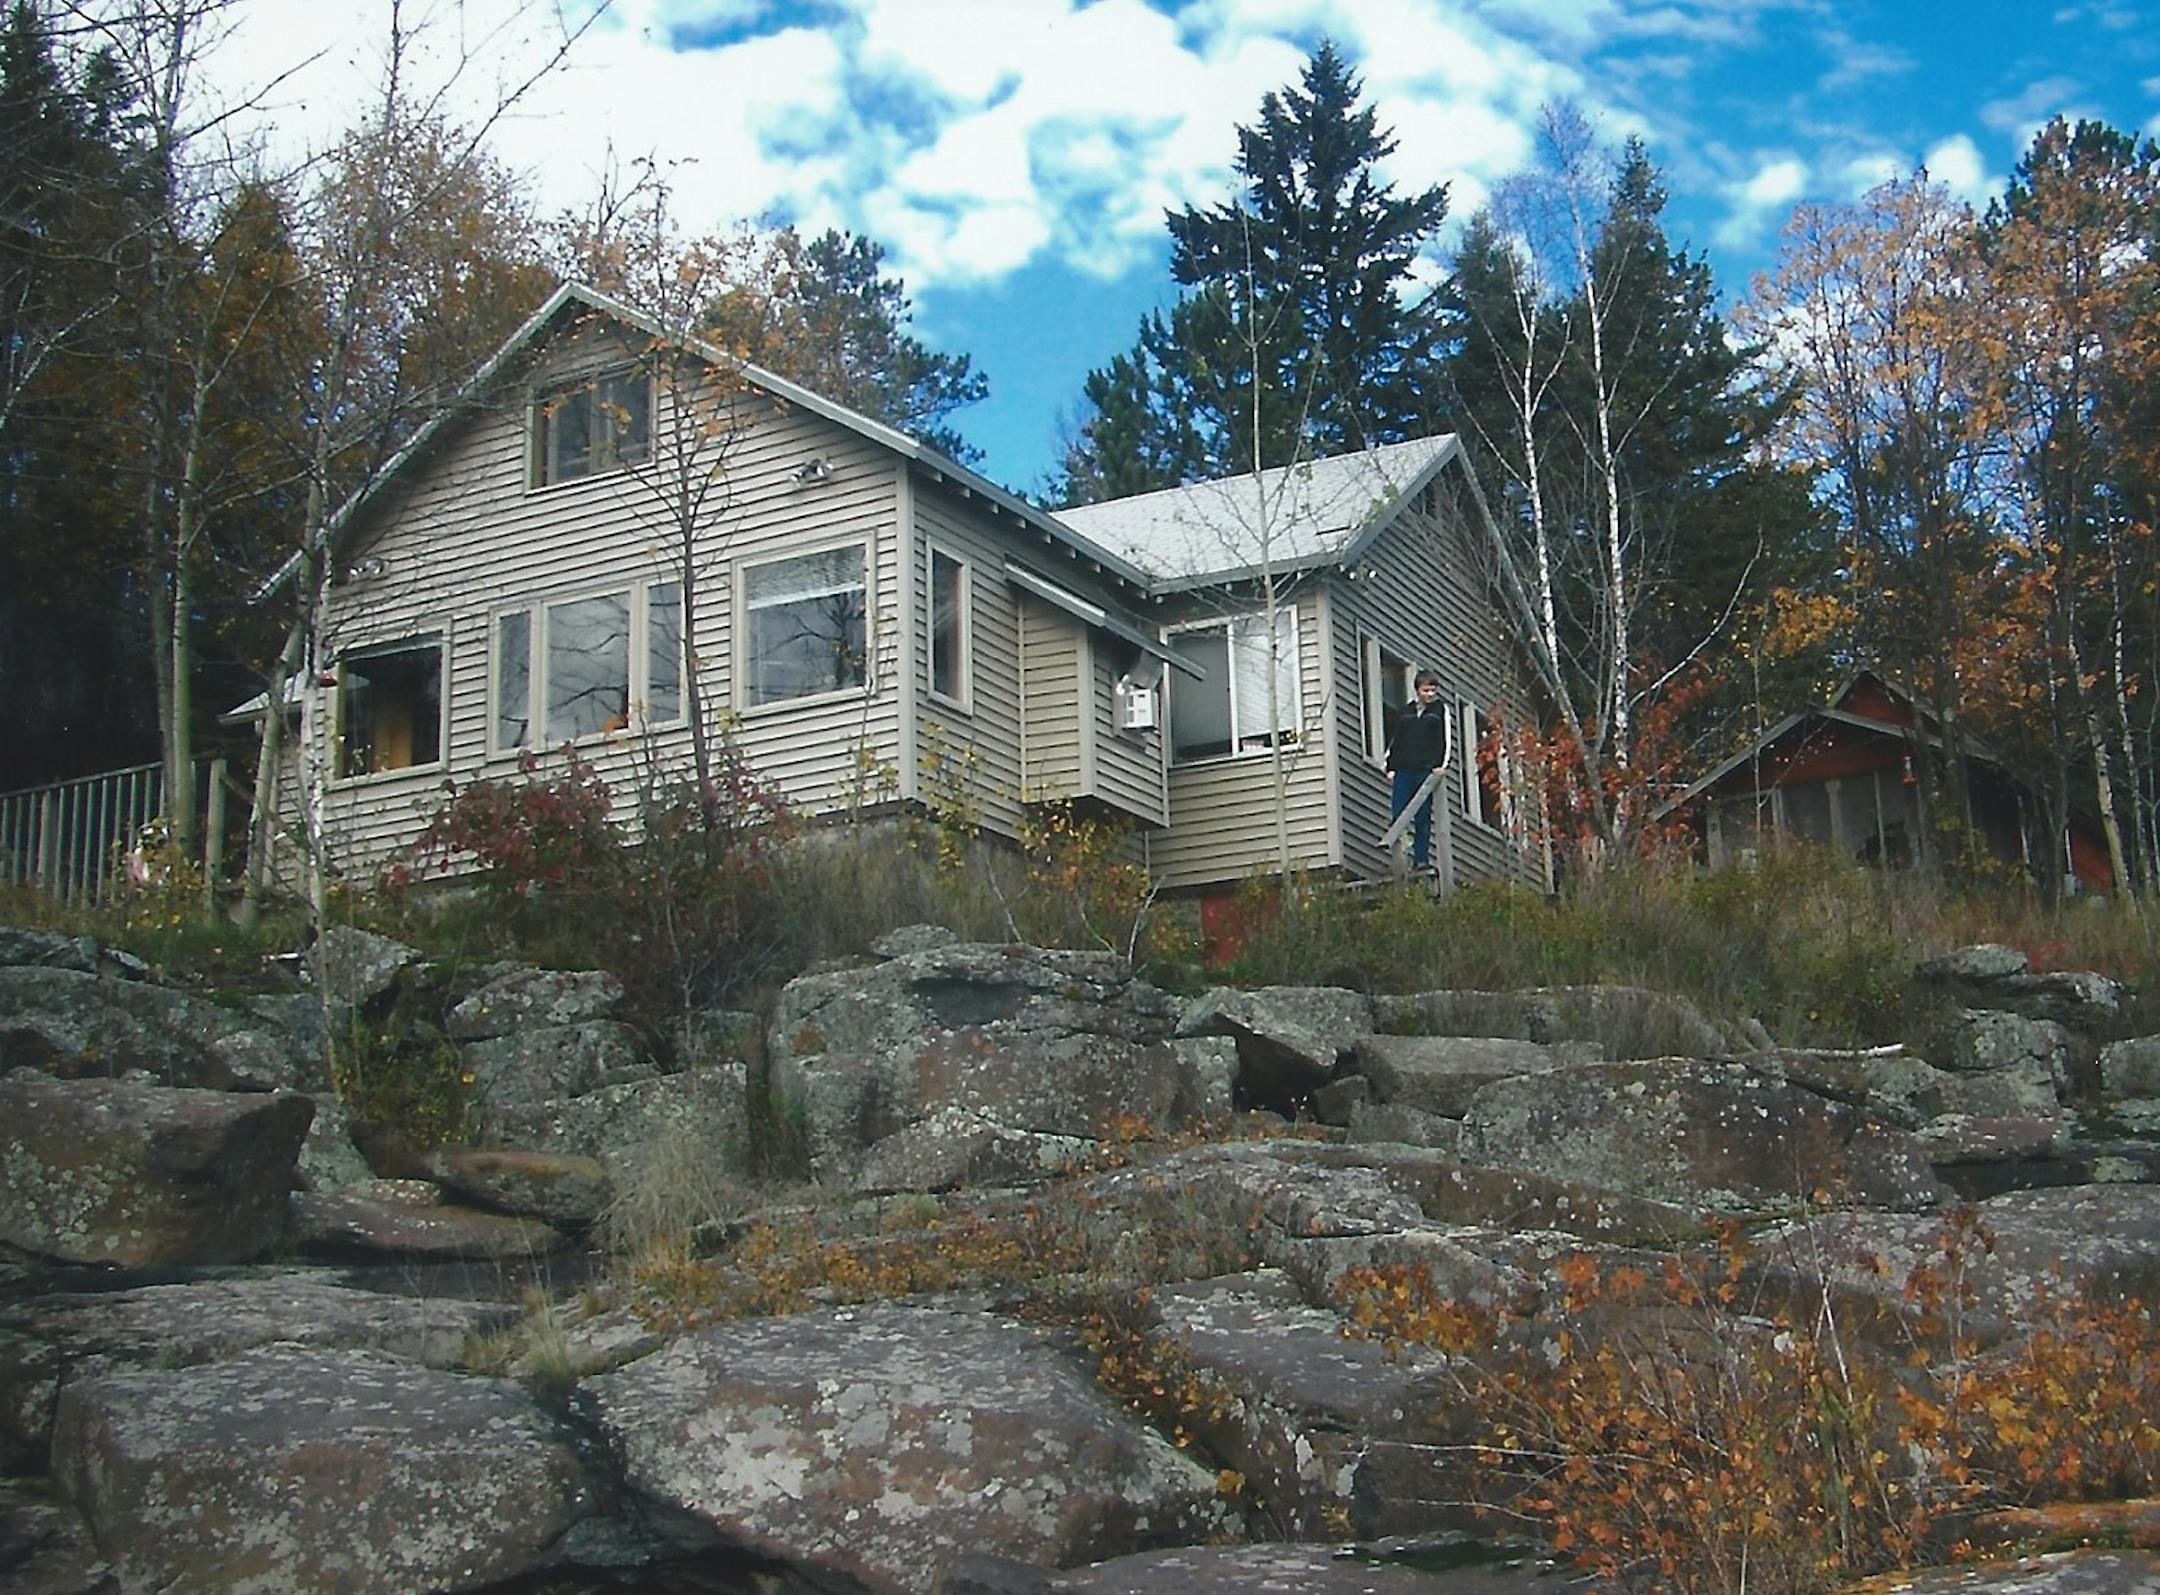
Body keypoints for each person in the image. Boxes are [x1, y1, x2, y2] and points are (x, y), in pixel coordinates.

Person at [1385, 670, 1454, 871]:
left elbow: (1445, 739)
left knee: (1422, 814)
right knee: (1399, 813)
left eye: (1433, 690)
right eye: (1426, 690)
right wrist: (1390, 766)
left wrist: (1442, 765)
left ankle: (1420, 859)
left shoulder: (1440, 710)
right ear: (1417, 690)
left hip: (1426, 769)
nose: (1430, 694)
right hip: (1404, 768)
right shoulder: (1405, 712)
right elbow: (1395, 741)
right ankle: (1401, 860)